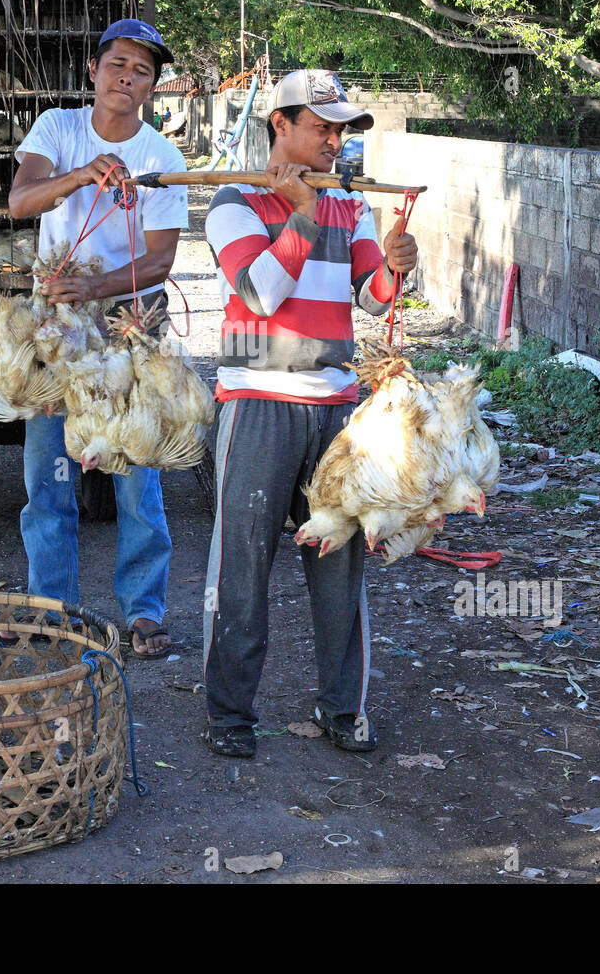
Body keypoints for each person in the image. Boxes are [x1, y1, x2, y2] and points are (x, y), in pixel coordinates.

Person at [201, 69, 419, 757]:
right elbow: (261, 295)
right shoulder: (231, 202)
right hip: (258, 402)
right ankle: (231, 715)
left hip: (334, 406)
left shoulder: (353, 206)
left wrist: (395, 265)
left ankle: (342, 709)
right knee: (242, 568)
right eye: (321, 127)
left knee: (341, 567)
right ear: (280, 125)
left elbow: (375, 299)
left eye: (341, 130)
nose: (334, 141)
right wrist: (298, 213)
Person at [9, 18, 188, 658]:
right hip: (58, 326)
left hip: (128, 324)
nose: (125, 77)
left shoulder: (163, 159)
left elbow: (162, 260)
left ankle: (143, 613)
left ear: (151, 86)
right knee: (47, 471)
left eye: (140, 71)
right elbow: (21, 201)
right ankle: (48, 607)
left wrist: (96, 289)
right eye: (116, 64)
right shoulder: (57, 128)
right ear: (94, 69)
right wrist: (82, 175)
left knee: (136, 469)